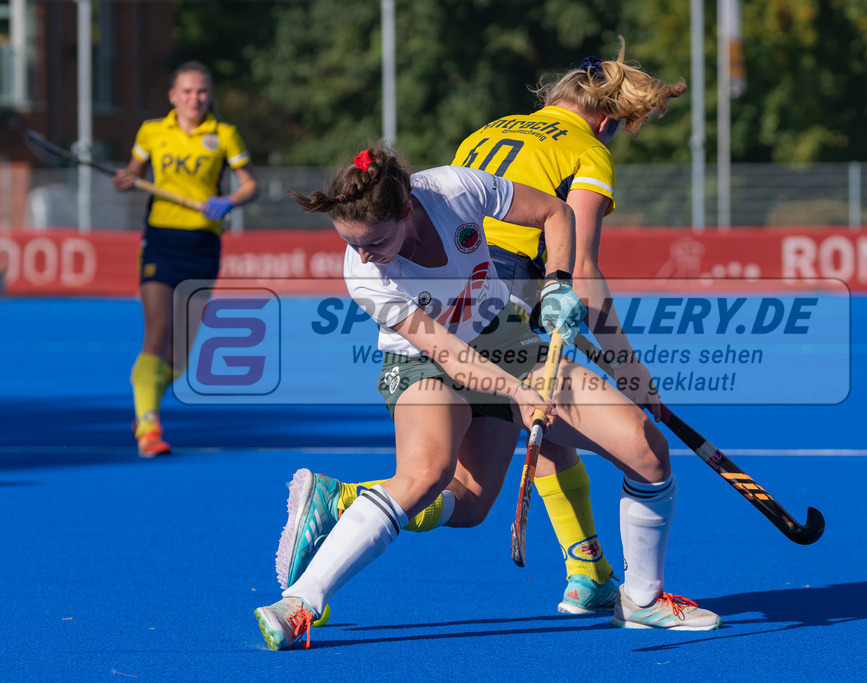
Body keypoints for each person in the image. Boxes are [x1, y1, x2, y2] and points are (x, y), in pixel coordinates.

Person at [254, 145, 720, 650]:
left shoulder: (455, 189)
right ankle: (300, 602)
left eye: (375, 241)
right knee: (426, 475)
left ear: (406, 210)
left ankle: (642, 601)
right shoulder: (365, 273)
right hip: (425, 362)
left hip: (506, 339)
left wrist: (559, 285)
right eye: (352, 242)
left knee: (645, 453)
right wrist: (520, 393)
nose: (363, 254)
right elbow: (451, 358)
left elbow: (555, 212)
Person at [324, 37, 688, 614]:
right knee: (550, 411)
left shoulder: (490, 129)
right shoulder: (588, 150)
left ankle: (586, 569)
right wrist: (628, 367)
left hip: (462, 270)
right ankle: (598, 575)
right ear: (607, 119)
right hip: (510, 281)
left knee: (538, 424)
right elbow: (584, 268)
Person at [112, 61, 259, 457]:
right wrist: (125, 179)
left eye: (202, 91)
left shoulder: (224, 134)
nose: (195, 98)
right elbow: (131, 173)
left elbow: (251, 186)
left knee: (180, 357)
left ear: (209, 95)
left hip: (203, 245)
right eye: (188, 91)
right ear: (173, 96)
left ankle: (147, 401)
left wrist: (227, 201)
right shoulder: (152, 132)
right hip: (160, 240)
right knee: (157, 331)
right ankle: (148, 424)